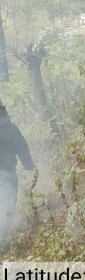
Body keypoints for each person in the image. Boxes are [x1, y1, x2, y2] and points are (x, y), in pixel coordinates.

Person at [0, 99, 34, 238]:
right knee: (7, 206)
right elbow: (22, 147)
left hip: (6, 173)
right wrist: (29, 165)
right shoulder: (9, 127)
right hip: (7, 174)